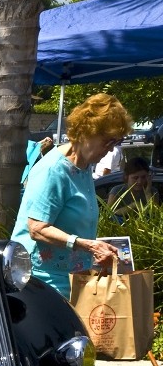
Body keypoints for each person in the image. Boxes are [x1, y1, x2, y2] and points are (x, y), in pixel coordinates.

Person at [10, 93, 131, 298]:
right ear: (86, 132)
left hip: (71, 276)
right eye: (108, 141)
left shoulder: (83, 168)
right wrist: (87, 245)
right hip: (42, 280)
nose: (111, 149)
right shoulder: (53, 170)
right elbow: (37, 228)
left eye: (117, 142)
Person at [106, 155, 160, 220]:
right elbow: (109, 213)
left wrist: (148, 193)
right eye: (135, 178)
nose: (139, 181)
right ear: (127, 177)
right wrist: (132, 206)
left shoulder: (152, 191)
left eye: (143, 177)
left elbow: (155, 214)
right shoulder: (117, 191)